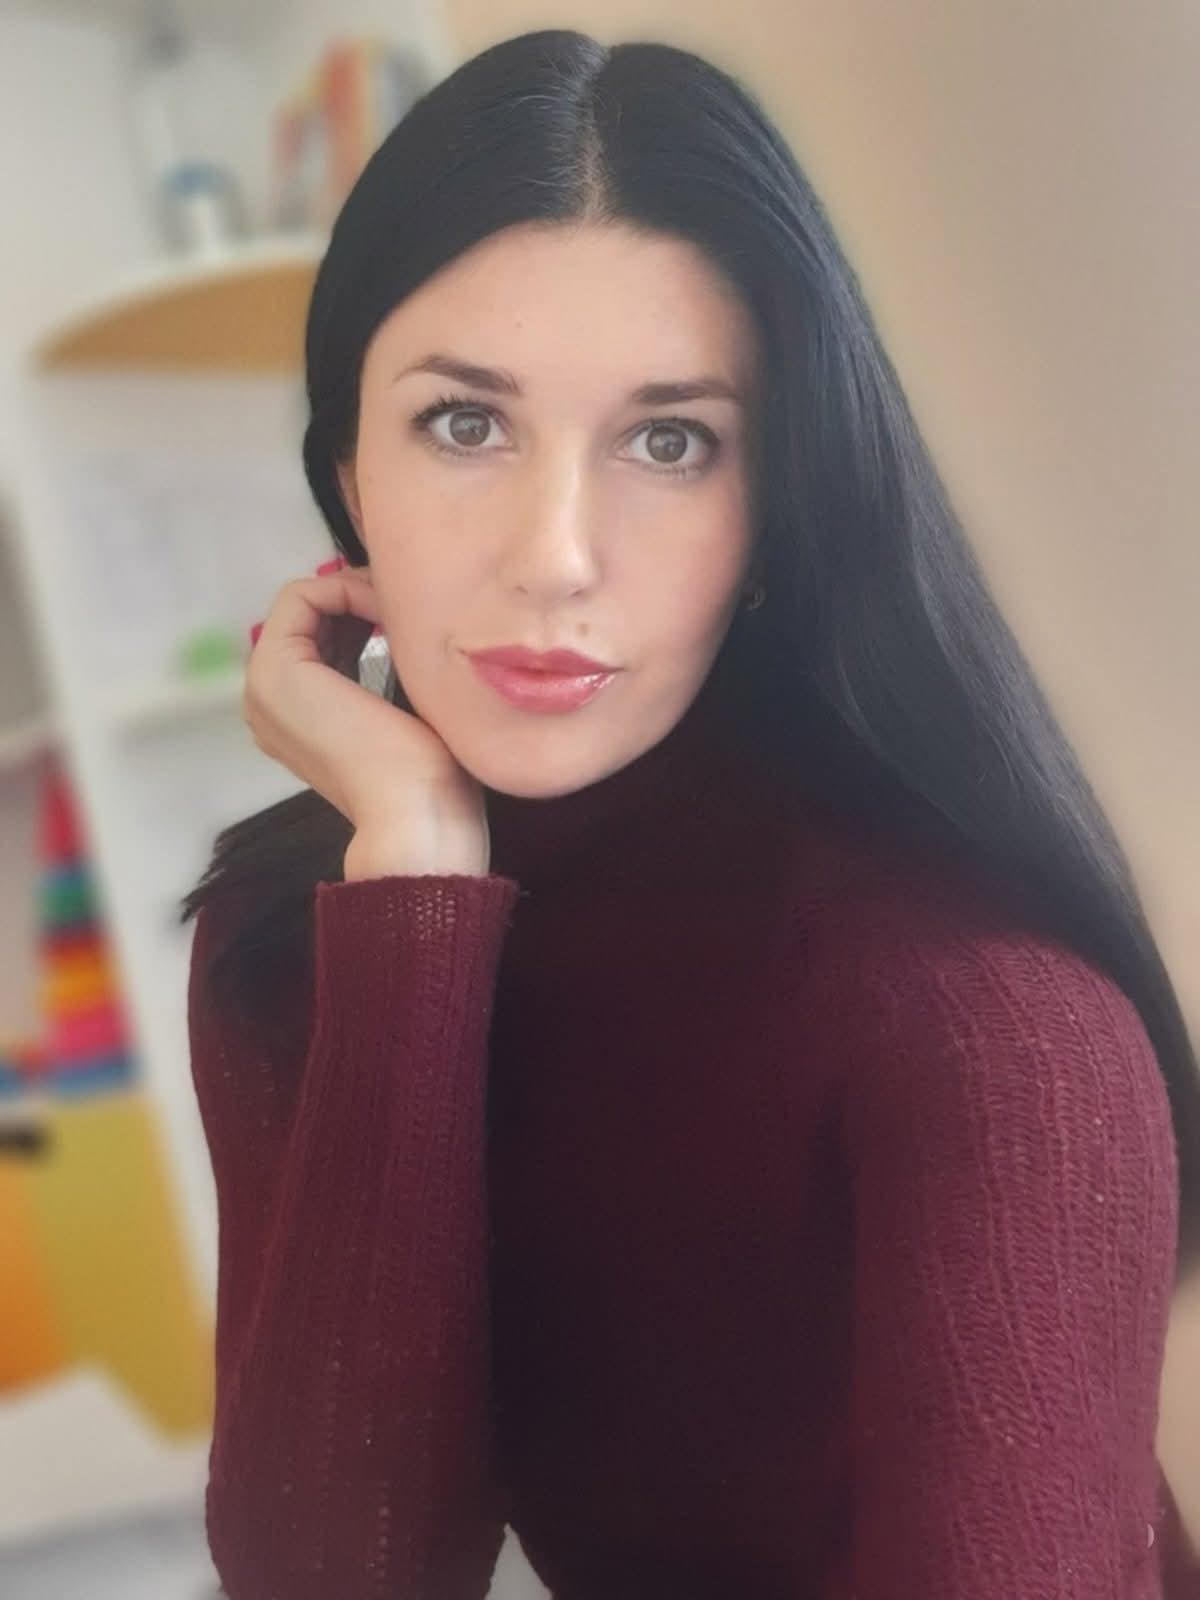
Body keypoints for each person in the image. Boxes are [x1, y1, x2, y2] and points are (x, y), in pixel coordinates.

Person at [180, 28, 1200, 1600]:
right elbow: (332, 1578)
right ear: (350, 475)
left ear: (770, 508)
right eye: (465, 423)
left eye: (671, 441)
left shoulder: (984, 1024)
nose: (556, 555)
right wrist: (417, 887)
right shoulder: (303, 934)